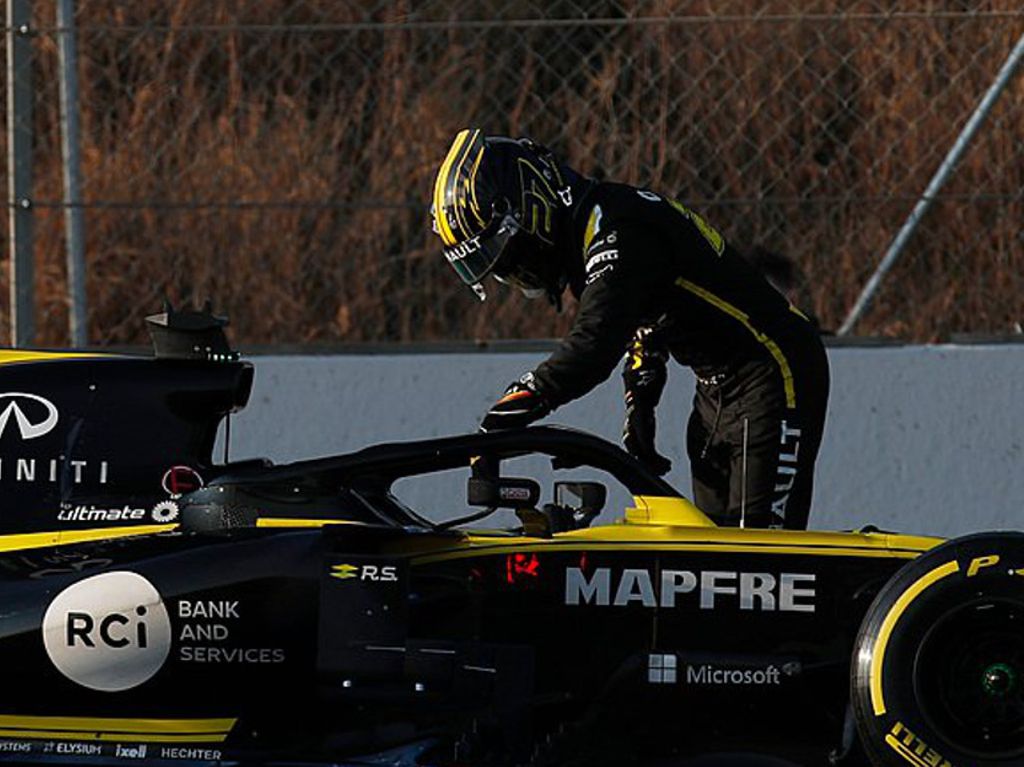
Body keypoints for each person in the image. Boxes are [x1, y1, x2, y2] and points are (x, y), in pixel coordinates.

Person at [430, 129, 829, 529]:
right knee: (718, 554)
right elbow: (650, 315)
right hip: (718, 388)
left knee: (759, 563)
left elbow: (594, 344)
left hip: (773, 369)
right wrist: (641, 406)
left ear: (530, 204)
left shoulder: (616, 228)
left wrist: (509, 412)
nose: (515, 273)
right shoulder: (599, 221)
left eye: (511, 257)